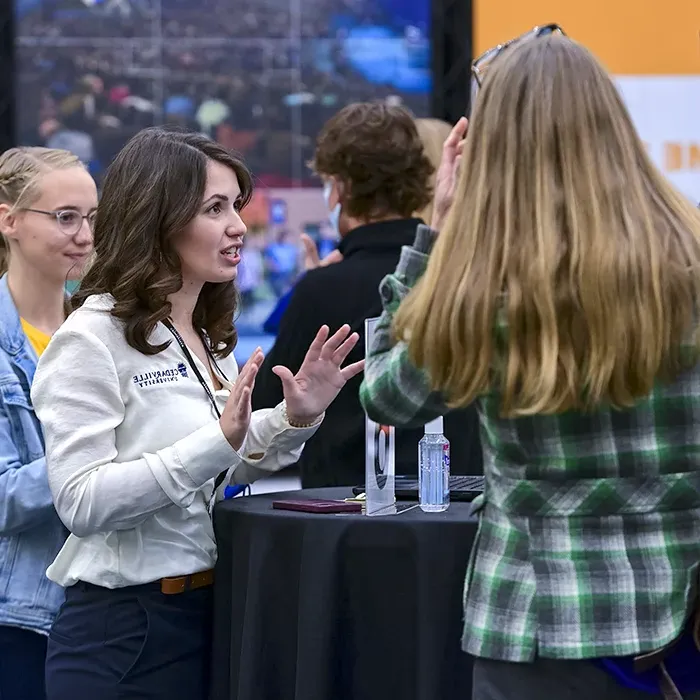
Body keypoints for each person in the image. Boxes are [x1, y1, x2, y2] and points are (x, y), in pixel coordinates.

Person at [360, 36, 700, 700]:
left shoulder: (481, 293)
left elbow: (388, 398)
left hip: (535, 622)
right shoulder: (688, 272)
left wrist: (435, 235)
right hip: (680, 626)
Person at [30, 128, 364, 700]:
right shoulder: (92, 337)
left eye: (235, 205)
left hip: (209, 611)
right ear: (158, 219)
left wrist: (293, 416)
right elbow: (81, 502)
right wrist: (217, 441)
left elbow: (218, 471)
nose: (238, 225)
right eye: (215, 208)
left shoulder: (206, 336)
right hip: (124, 633)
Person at [252, 102, 482, 488]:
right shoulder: (468, 277)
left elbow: (263, 410)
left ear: (339, 186)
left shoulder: (321, 290)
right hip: (455, 517)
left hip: (340, 521)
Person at [0, 147, 96, 700]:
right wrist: (97, 459)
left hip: (101, 609)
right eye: (65, 217)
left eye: (92, 218)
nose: (84, 235)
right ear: (9, 220)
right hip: (20, 618)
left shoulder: (102, 328)